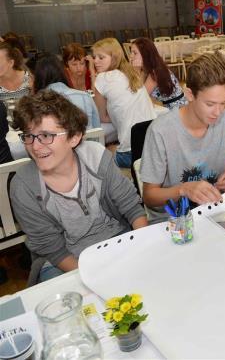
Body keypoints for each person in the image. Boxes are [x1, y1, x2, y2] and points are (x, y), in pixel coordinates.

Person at [9, 90, 148, 282]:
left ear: (74, 137)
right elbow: (53, 250)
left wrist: (145, 246)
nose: (36, 146)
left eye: (46, 136)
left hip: (116, 238)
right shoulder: (24, 187)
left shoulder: (96, 157)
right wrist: (95, 277)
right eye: (29, 136)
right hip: (64, 261)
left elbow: (131, 207)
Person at [140, 53, 225, 222]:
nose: (218, 112)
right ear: (190, 95)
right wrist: (183, 189)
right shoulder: (160, 131)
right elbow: (149, 196)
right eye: (210, 104)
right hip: (174, 219)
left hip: (214, 211)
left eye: (223, 103)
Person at [92, 38, 156, 168]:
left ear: (114, 58)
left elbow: (101, 117)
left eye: (101, 57)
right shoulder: (131, 73)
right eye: (94, 57)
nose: (95, 61)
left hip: (131, 155)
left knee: (102, 150)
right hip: (155, 148)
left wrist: (118, 116)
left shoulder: (102, 78)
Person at [33, 54, 100, 129]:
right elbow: (97, 128)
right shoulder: (84, 96)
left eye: (82, 63)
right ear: (63, 70)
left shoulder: (36, 103)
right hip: (88, 139)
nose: (78, 68)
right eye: (74, 64)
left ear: (38, 77)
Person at [130, 38, 187, 110]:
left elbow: (140, 97)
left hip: (177, 109)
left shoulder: (155, 72)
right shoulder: (149, 68)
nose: (131, 56)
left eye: (135, 53)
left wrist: (136, 70)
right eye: (131, 52)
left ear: (145, 54)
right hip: (169, 107)